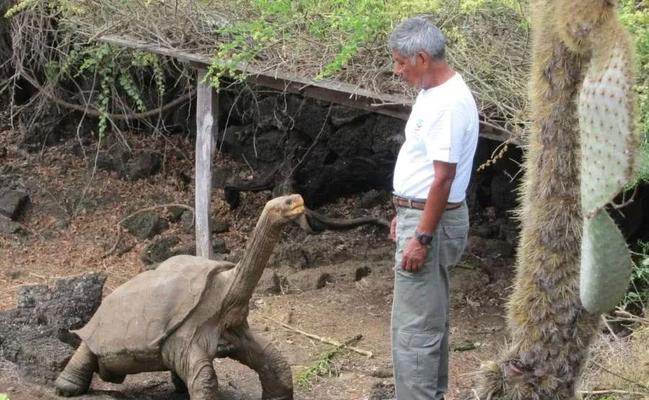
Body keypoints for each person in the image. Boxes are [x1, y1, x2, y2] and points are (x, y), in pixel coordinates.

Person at [388, 16, 479, 400]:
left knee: (415, 330)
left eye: (401, 62)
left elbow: (442, 178)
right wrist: (404, 211)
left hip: (432, 222)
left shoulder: (447, 104)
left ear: (422, 57)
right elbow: (426, 167)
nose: (397, 70)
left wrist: (421, 234)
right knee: (425, 321)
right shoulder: (436, 92)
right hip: (422, 213)